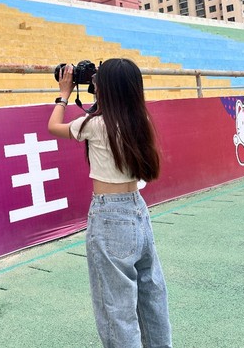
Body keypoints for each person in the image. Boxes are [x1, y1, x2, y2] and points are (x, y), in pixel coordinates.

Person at [48, 58, 172, 348]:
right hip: (137, 209)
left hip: (109, 215)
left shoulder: (94, 124)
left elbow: (53, 126)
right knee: (151, 294)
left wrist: (64, 94)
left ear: (105, 89)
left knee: (116, 307)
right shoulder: (139, 120)